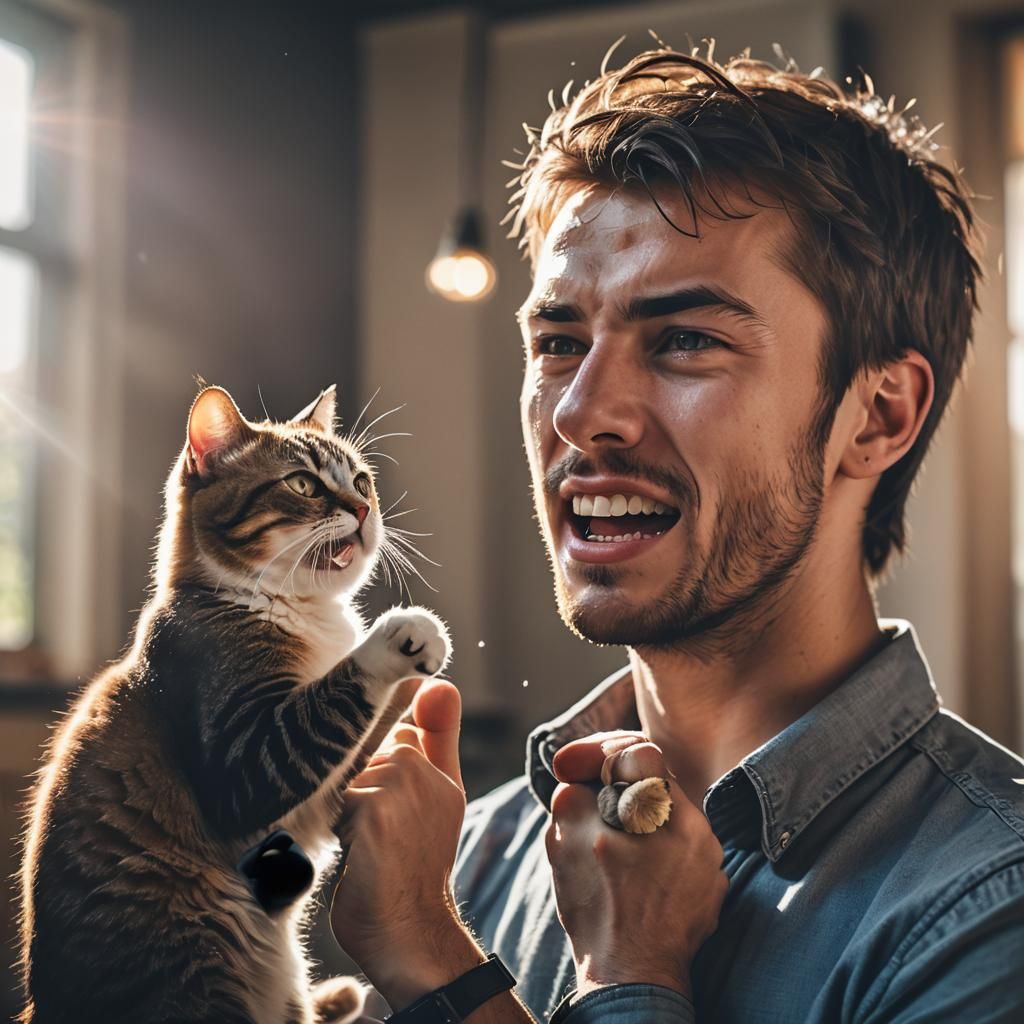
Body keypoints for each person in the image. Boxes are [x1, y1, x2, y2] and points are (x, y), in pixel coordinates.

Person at [329, 44, 1024, 1023]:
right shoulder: (470, 862)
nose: (579, 412)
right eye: (559, 343)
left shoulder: (991, 911)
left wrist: (601, 983)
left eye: (685, 340)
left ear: (875, 416)